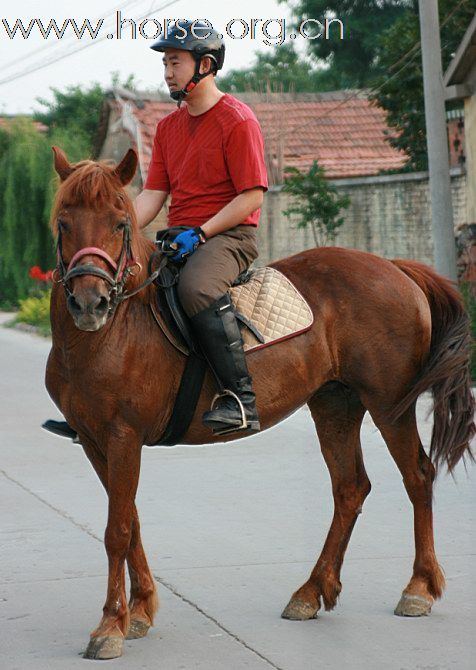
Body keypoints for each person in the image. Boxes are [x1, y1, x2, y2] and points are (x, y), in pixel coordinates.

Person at [44, 20, 268, 440]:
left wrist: (201, 233)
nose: (167, 72)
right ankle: (93, 405)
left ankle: (239, 398)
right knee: (107, 279)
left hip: (227, 236)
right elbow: (153, 194)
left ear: (205, 64)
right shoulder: (168, 127)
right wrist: (115, 228)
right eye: (165, 63)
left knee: (196, 289)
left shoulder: (238, 120)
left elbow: (251, 197)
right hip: (179, 234)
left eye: (175, 62)